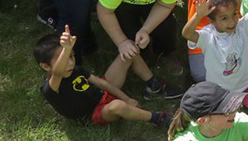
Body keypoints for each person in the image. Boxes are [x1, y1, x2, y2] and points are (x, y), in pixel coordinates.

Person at [94, 0, 187, 99]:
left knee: (166, 26)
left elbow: (165, 4)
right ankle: (146, 70)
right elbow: (104, 11)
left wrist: (145, 29)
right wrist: (122, 42)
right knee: (130, 42)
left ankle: (166, 53)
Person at [36, 26, 168, 128]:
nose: (70, 62)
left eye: (71, 56)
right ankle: (157, 118)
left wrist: (127, 98)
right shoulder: (50, 89)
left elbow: (102, 84)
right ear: (46, 66)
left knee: (129, 53)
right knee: (117, 106)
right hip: (96, 112)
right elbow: (58, 72)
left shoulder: (75, 70)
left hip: (102, 95)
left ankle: (153, 84)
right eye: (64, 59)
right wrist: (65, 50)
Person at [184, 0, 248, 121]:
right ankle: (232, 105)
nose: (232, 21)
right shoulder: (207, 35)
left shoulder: (242, 26)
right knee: (220, 123)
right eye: (224, 18)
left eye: (234, 14)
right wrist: (198, 15)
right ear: (212, 21)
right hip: (221, 92)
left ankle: (243, 101)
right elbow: (187, 34)